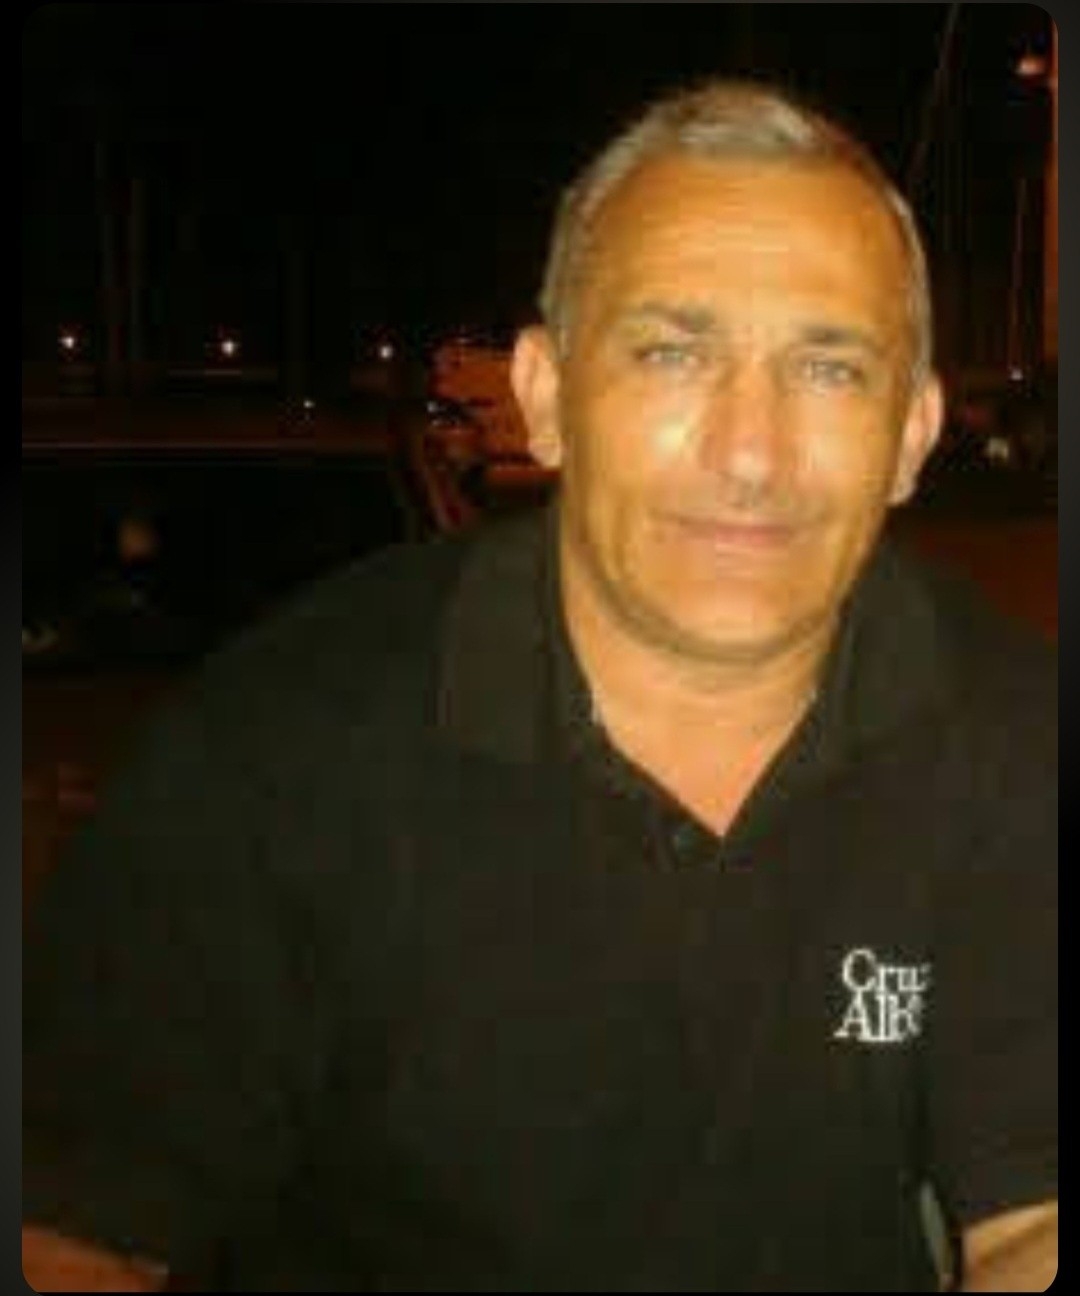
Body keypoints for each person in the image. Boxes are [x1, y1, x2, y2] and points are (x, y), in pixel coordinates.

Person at [23, 80, 1056, 1292]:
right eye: (673, 353)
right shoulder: (281, 749)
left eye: (830, 368)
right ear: (545, 399)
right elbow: (71, 1224)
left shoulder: (1014, 739)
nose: (751, 452)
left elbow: (1035, 1222)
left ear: (914, 436)